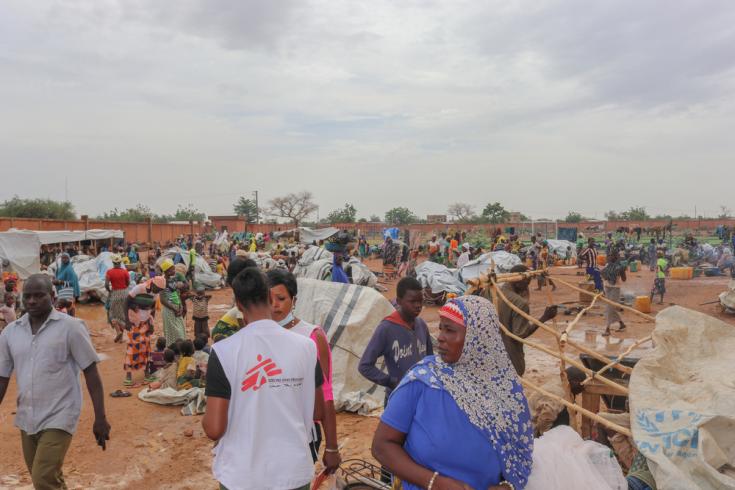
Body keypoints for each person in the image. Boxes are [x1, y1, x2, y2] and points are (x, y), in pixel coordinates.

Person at [371, 296, 533, 490]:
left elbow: (520, 456)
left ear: (478, 338)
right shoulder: (423, 379)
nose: (439, 336)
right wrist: (434, 483)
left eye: (449, 330)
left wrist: (507, 487)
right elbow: (382, 446)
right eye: (440, 328)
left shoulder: (506, 389)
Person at [202, 267, 338, 489]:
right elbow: (317, 411)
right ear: (268, 296)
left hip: (241, 475)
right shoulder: (306, 347)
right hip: (293, 472)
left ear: (238, 304)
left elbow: (214, 429)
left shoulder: (224, 351)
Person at [0, 274, 110, 489]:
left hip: (60, 413)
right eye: (27, 296)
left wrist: (100, 418)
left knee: (43, 477)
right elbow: (2, 378)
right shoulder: (10, 333)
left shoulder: (71, 327)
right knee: (46, 479)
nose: (31, 301)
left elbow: (91, 372)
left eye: (39, 296)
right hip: (27, 415)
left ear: (52, 296)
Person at [267, 269, 341, 467]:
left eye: (281, 298)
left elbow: (325, 393)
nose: (274, 305)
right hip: (265, 433)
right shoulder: (258, 335)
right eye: (268, 299)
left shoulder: (311, 336)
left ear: (294, 300)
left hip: (301, 433)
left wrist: (332, 446)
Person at [359, 277, 433, 406]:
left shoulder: (421, 325)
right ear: (399, 301)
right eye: (412, 301)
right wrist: (390, 381)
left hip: (421, 397)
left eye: (420, 301)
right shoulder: (387, 328)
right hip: (398, 399)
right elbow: (365, 365)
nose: (418, 306)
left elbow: (430, 358)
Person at [495, 264, 558, 376]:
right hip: (510, 356)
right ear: (518, 282)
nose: (528, 283)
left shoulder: (494, 291)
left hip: (492, 354)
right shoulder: (519, 303)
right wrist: (544, 317)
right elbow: (520, 335)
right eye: (527, 281)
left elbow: (523, 292)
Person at [527, 367, 586, 437]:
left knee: (571, 407)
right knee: (567, 410)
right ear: (573, 382)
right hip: (531, 427)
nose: (583, 387)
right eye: (581, 384)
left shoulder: (562, 383)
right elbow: (545, 417)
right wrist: (545, 436)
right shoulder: (560, 394)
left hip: (537, 417)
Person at [123, 287, 156, 386]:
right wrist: (127, 322)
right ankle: (128, 376)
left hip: (145, 327)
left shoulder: (154, 294)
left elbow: (152, 312)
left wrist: (151, 325)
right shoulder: (132, 311)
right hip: (135, 329)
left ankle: (146, 373)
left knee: (146, 350)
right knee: (132, 351)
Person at [160, 259, 186, 345]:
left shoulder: (172, 280)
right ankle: (174, 352)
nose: (174, 271)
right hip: (169, 310)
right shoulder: (162, 281)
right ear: (166, 271)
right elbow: (163, 300)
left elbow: (176, 293)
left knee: (181, 331)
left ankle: (179, 352)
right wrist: (174, 308)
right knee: (175, 333)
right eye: (172, 269)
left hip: (176, 308)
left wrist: (180, 305)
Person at [105, 254, 130, 343]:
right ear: (120, 263)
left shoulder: (109, 272)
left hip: (115, 293)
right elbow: (128, 283)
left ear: (113, 262)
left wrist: (110, 291)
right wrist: (124, 289)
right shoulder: (125, 271)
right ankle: (121, 338)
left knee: (112, 313)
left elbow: (106, 285)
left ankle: (118, 331)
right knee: (122, 315)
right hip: (124, 294)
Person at [601, 251, 627, 336]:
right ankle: (621, 324)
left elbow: (624, 279)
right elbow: (603, 276)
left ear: (616, 257)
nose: (610, 257)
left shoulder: (619, 267)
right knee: (610, 309)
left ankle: (607, 329)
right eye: (609, 255)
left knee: (609, 309)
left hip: (615, 289)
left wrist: (622, 271)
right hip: (607, 288)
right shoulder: (607, 265)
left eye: (612, 255)